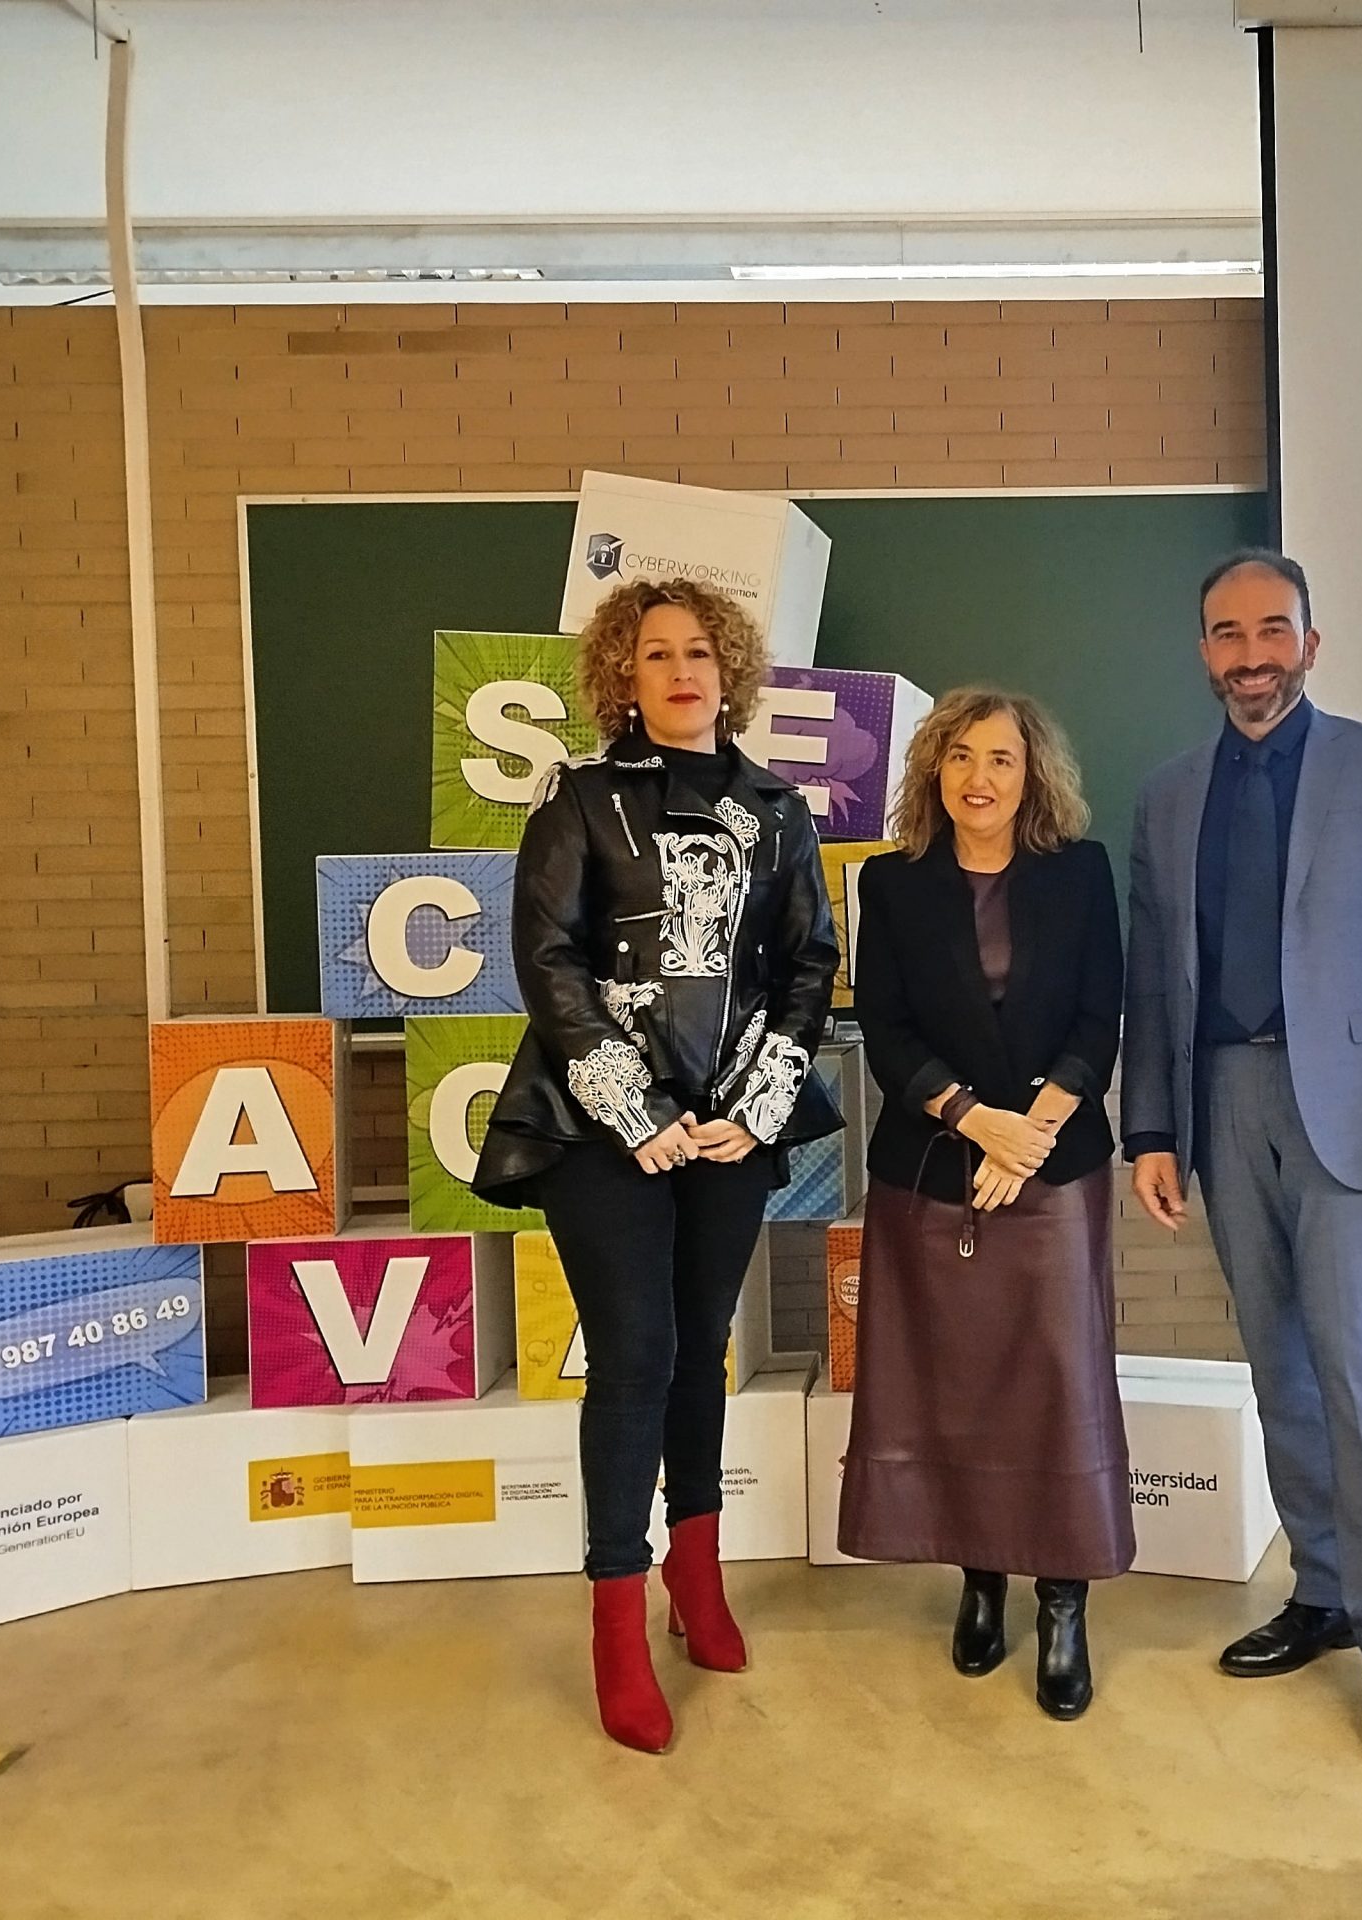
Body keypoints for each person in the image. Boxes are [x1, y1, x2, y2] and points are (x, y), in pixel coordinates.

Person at [473, 576, 840, 1756]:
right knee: (634, 1355)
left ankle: (700, 1576)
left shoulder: (781, 813)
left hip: (732, 1129)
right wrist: (634, 1108)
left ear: (729, 669)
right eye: (654, 654)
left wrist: (756, 1103)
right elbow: (547, 959)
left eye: (698, 651)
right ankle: (616, 1620)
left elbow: (803, 968)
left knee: (701, 1349)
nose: (680, 670)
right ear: (621, 680)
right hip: (597, 1131)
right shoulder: (576, 802)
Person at [1122, 548, 1362, 1766]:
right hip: (1221, 1103)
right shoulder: (1169, 795)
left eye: (1274, 630)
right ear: (1204, 651)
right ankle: (1322, 1592)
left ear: (1311, 645)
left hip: (1350, 1113)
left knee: (1356, 1373)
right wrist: (1152, 1126)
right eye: (1228, 634)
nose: (1252, 655)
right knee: (1277, 1366)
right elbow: (1151, 976)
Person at [840, 688, 1133, 1721]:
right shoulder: (895, 884)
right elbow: (887, 1028)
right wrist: (979, 1123)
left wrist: (1033, 1131)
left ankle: (1062, 1600)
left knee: (1056, 1384)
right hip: (934, 1165)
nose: (979, 777)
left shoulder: (1079, 874)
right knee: (954, 1386)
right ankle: (979, 1579)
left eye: (1001, 759)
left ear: (1031, 774)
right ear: (934, 772)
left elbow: (1100, 1014)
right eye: (960, 757)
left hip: (1054, 1165)